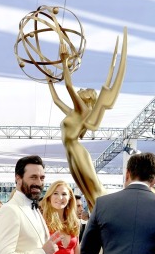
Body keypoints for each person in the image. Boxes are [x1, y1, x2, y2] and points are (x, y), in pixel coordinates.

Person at [47, 30, 127, 211]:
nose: (80, 90)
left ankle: (111, 209)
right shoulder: (73, 112)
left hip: (76, 150)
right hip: (71, 152)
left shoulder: (82, 109)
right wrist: (50, 82)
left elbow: (68, 86)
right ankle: (97, 215)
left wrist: (65, 61)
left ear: (87, 97)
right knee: (87, 190)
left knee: (93, 186)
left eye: (83, 90)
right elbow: (57, 100)